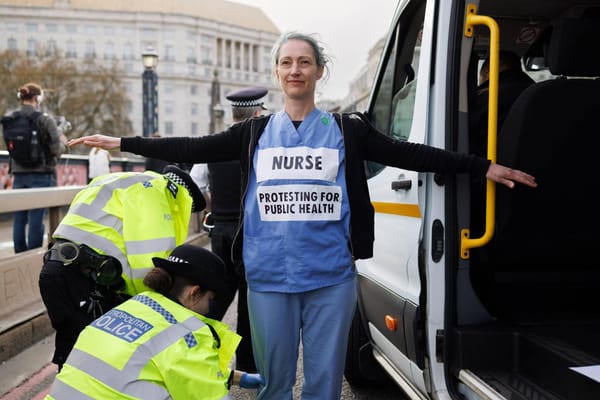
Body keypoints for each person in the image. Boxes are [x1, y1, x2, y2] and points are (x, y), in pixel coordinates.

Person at [69, 31, 538, 400]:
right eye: (287, 62)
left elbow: (409, 152)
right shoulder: (252, 133)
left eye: (305, 62)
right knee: (274, 386)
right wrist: (122, 143)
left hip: (329, 280)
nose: (296, 70)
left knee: (322, 387)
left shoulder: (346, 130)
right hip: (269, 280)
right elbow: (191, 146)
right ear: (277, 72)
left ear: (318, 73)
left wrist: (483, 166)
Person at [39, 165, 206, 372]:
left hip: (58, 267)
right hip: (83, 279)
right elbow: (147, 271)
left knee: (73, 348)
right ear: (182, 198)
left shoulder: (123, 181)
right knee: (92, 359)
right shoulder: (155, 197)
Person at [45, 243, 264, 399]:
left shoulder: (133, 305)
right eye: (210, 299)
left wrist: (235, 377)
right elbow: (201, 385)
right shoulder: (187, 334)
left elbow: (165, 364)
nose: (209, 308)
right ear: (194, 293)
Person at [190, 86, 268, 373]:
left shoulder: (214, 144)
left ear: (233, 113)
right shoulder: (262, 145)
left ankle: (197, 356)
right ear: (258, 112)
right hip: (252, 234)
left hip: (221, 232)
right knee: (250, 304)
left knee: (214, 297)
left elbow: (196, 185)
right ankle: (246, 366)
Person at [5, 82, 67, 253]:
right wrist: (63, 142)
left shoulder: (11, 118)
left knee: (19, 217)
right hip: (41, 173)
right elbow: (56, 150)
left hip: (18, 172)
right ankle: (32, 255)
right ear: (37, 98)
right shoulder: (44, 119)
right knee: (36, 218)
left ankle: (19, 254)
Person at [469, 50, 536, 156]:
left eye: (481, 77)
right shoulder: (538, 92)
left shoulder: (486, 97)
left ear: (488, 73)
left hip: (494, 168)